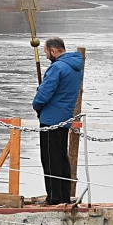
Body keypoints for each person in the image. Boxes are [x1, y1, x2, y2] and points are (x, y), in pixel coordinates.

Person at [32, 37, 83, 205]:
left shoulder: (57, 68)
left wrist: (36, 105)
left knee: (49, 158)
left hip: (50, 118)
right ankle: (64, 196)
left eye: (46, 52)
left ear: (53, 50)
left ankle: (53, 197)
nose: (46, 55)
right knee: (61, 157)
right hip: (65, 117)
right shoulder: (75, 67)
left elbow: (44, 94)